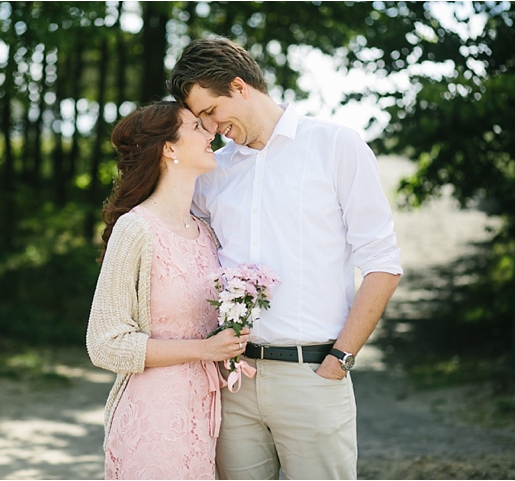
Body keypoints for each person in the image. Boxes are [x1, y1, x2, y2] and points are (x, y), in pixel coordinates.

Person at [169, 37, 403, 480]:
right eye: (200, 121)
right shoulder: (212, 174)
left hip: (313, 375)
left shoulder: (336, 147)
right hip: (236, 381)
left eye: (210, 112)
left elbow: (383, 262)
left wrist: (340, 360)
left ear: (239, 86)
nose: (211, 128)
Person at [86, 100, 251, 480]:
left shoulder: (206, 233)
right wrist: (203, 350)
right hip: (153, 419)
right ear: (169, 148)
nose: (211, 132)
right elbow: (104, 343)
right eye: (196, 127)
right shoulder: (136, 229)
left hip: (205, 415)